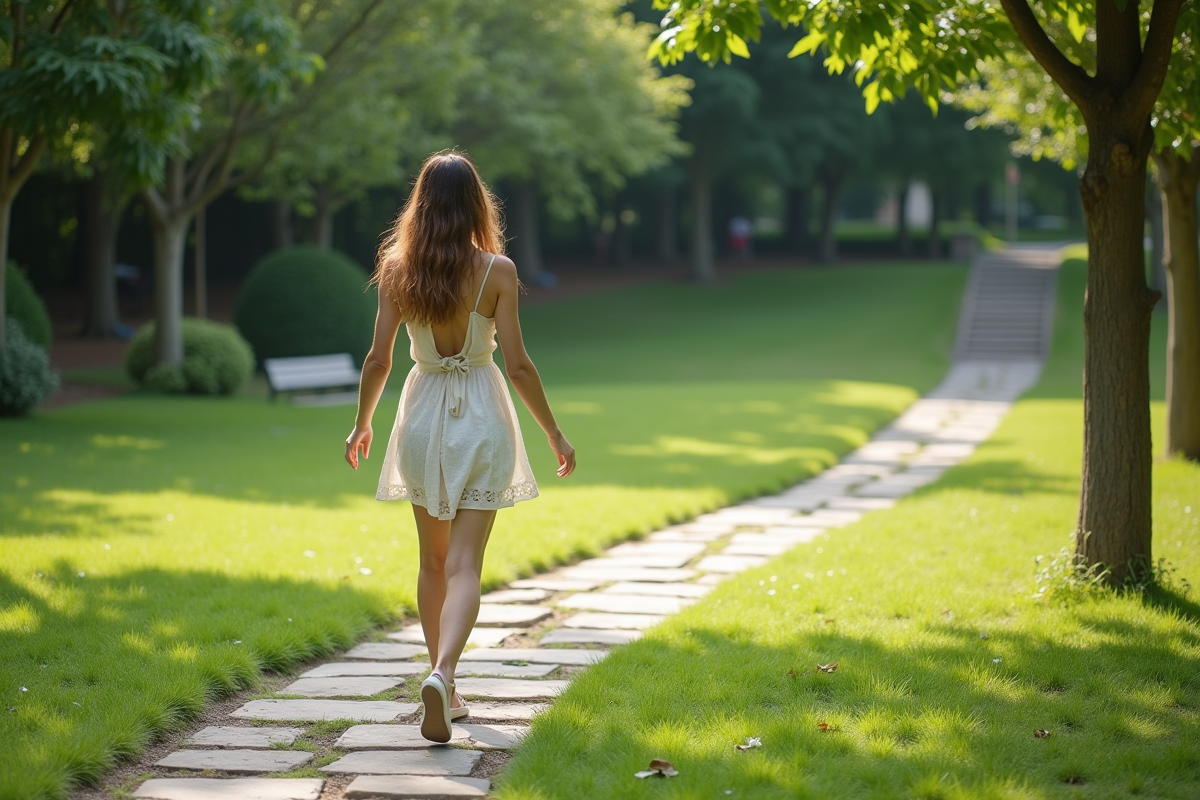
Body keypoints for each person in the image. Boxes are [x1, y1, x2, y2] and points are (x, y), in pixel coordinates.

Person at [344, 151, 576, 743]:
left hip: (422, 415)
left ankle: (440, 678)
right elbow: (519, 366)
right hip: (481, 412)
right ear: (477, 203)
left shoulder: (397, 269)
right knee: (467, 563)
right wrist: (554, 432)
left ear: (420, 204)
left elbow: (378, 359)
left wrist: (361, 423)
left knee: (432, 561)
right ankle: (445, 676)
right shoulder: (497, 271)